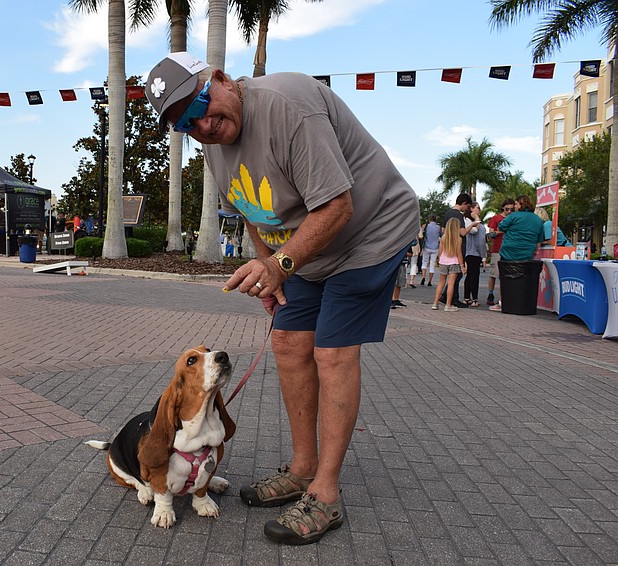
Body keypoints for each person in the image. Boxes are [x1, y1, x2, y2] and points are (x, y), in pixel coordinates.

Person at [145, 52, 419, 545]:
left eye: (201, 107)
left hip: (369, 232)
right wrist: (270, 271)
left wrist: (279, 264)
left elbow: (337, 205)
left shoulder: (287, 106)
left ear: (221, 79)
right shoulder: (213, 147)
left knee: (331, 352)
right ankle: (301, 468)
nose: (203, 126)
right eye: (186, 124)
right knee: (289, 343)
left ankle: (326, 493)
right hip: (306, 247)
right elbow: (252, 212)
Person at [490, 194, 544, 312]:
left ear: (521, 204)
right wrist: (534, 251)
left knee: (505, 278)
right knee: (522, 280)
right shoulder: (538, 220)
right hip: (527, 254)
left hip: (508, 252)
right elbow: (539, 241)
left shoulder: (513, 216)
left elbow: (501, 226)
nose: (514, 206)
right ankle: (520, 303)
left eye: (516, 204)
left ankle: (503, 303)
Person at [438, 193, 477, 308]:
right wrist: (472, 225)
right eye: (467, 206)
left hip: (447, 248)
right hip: (458, 247)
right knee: (456, 275)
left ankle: (445, 297)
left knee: (446, 277)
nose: (467, 209)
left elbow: (443, 230)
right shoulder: (458, 215)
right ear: (464, 203)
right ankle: (452, 299)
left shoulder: (448, 213)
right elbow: (462, 232)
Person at [432, 218, 465, 312]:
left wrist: (439, 260)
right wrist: (462, 266)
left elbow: (440, 251)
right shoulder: (458, 239)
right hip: (454, 262)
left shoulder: (443, 238)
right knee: (451, 284)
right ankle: (448, 305)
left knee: (441, 283)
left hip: (443, 261)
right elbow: (459, 254)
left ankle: (435, 303)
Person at [486, 198, 514, 306]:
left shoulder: (513, 218)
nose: (509, 211)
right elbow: (491, 233)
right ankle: (490, 294)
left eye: (511, 209)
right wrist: (501, 231)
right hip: (497, 249)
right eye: (507, 209)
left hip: (509, 249)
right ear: (503, 208)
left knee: (505, 275)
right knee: (494, 273)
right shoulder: (496, 218)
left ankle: (502, 298)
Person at [463, 203, 487, 307]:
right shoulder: (475, 225)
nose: (479, 210)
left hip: (470, 253)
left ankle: (467, 297)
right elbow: (480, 241)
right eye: (478, 208)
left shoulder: (469, 223)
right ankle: (474, 299)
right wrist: (483, 255)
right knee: (474, 276)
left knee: (470, 276)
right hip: (474, 253)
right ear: (471, 209)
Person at [419, 214, 440, 286]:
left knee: (424, 262)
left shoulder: (426, 226)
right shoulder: (438, 227)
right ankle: (430, 281)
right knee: (432, 264)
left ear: (429, 219)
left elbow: (422, 236)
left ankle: (423, 277)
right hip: (435, 248)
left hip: (426, 247)